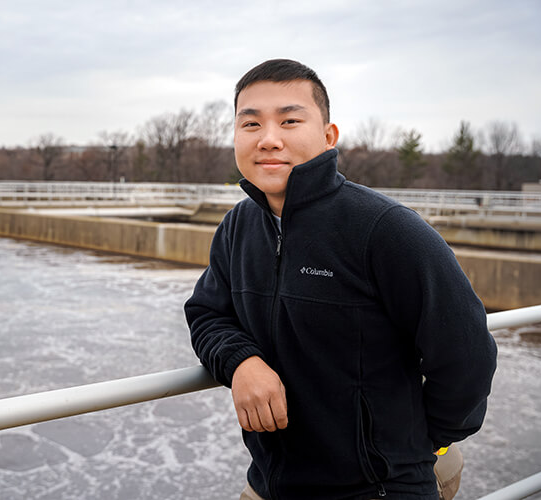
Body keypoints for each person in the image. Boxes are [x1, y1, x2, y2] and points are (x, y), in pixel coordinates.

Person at [184, 59, 498, 500]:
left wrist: (416, 444)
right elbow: (206, 313)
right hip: (270, 483)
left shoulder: (385, 228)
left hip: (381, 486)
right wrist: (240, 361)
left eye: (290, 120)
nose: (269, 139)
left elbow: (466, 353)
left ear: (329, 136)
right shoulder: (238, 227)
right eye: (251, 123)